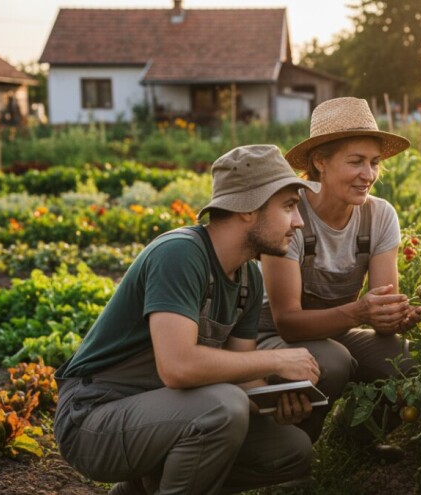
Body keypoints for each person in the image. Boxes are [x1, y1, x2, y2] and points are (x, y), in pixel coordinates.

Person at [53, 145, 324, 495]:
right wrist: (277, 360)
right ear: (248, 208)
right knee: (222, 407)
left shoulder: (248, 279)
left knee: (291, 451)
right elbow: (177, 367)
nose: (299, 221)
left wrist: (276, 403)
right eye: (288, 206)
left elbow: (243, 377)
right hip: (93, 419)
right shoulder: (179, 254)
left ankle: (140, 489)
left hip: (159, 412)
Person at [256, 97, 421, 445]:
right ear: (320, 162)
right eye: (356, 162)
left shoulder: (379, 216)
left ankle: (354, 440)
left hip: (334, 331)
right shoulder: (290, 214)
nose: (369, 175)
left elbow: (381, 310)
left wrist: (393, 316)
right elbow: (287, 321)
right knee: (332, 362)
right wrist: (360, 311)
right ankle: (293, 451)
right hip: (271, 337)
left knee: (412, 362)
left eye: (374, 162)